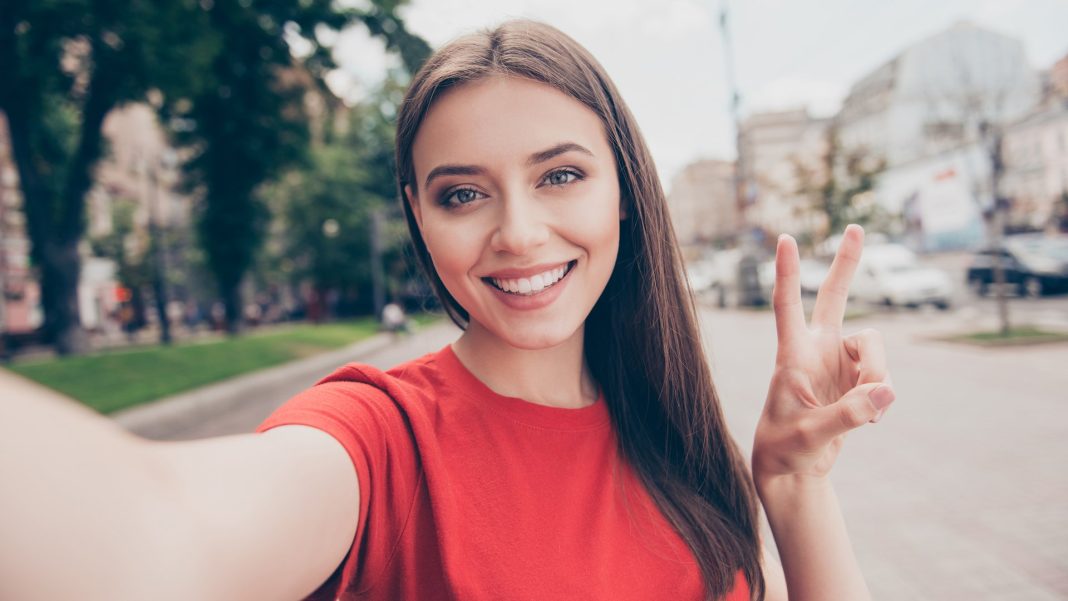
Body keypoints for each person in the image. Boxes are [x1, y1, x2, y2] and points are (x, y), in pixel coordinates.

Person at [0, 20, 895, 601]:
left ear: (624, 189)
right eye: (463, 194)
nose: (518, 231)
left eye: (560, 175)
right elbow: (162, 534)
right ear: (419, 218)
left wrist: (792, 485)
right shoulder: (380, 439)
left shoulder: (675, 434)